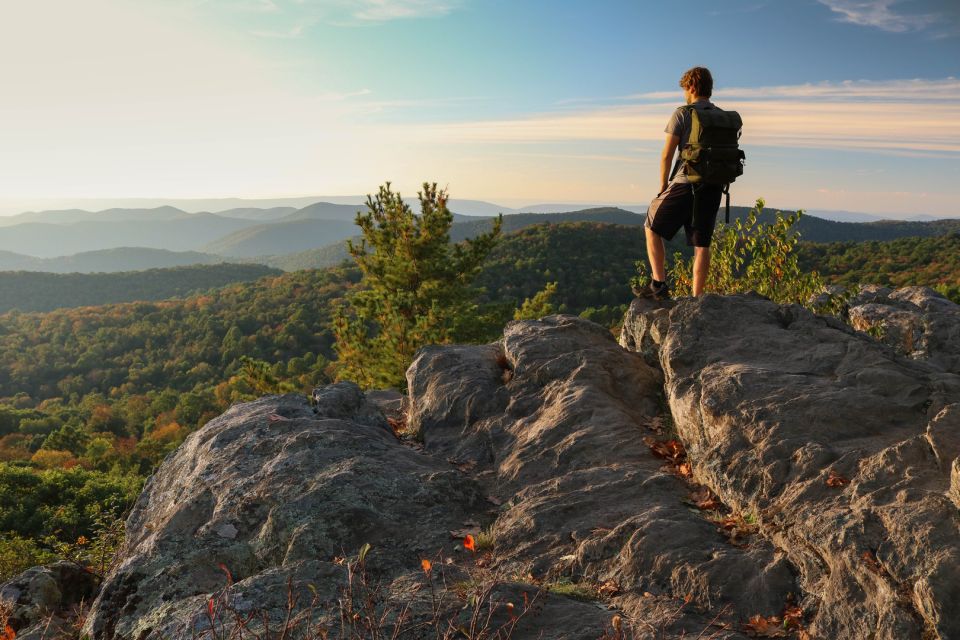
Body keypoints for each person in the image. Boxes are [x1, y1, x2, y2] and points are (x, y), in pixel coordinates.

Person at [640, 66, 725, 299]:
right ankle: (697, 298)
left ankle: (658, 285)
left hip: (685, 182)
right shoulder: (721, 116)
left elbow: (667, 154)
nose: (684, 94)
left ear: (691, 87)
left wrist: (663, 185)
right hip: (714, 185)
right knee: (702, 243)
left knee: (651, 225)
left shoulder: (683, 113)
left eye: (684, 89)